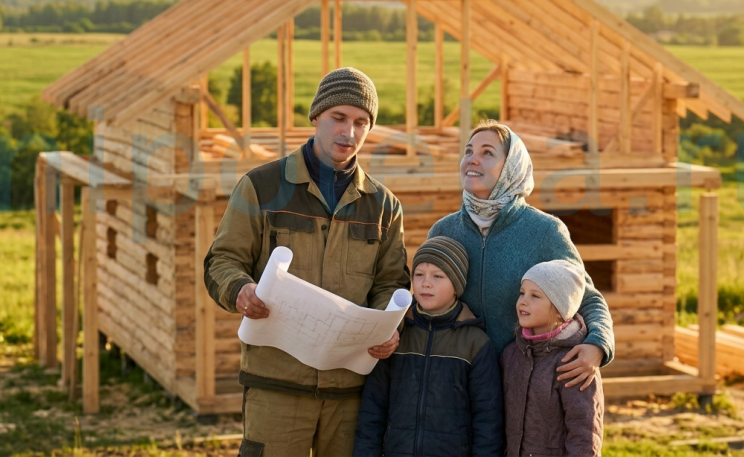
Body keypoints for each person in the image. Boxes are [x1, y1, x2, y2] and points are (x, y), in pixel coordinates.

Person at [204, 67, 410, 457]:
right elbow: (222, 260)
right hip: (275, 387)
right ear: (316, 116)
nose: (348, 132)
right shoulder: (262, 187)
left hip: (350, 394)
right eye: (338, 118)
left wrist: (388, 326)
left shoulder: (383, 206)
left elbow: (390, 284)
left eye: (361, 122)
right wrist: (240, 290)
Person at [428, 120, 615, 390]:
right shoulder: (443, 231)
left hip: (520, 385)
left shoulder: (544, 231)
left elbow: (587, 297)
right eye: (468, 151)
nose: (472, 160)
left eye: (487, 153)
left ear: (511, 167)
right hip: (456, 385)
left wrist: (598, 345)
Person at [353, 236, 504, 457]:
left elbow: (487, 419)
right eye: (419, 274)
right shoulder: (396, 334)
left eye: (438, 276)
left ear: (457, 285)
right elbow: (373, 408)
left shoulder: (475, 343)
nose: (426, 283)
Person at [502, 260, 605, 456]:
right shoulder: (511, 354)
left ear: (559, 307)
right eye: (522, 293)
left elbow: (585, 434)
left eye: (535, 296)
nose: (523, 301)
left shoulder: (575, 362)